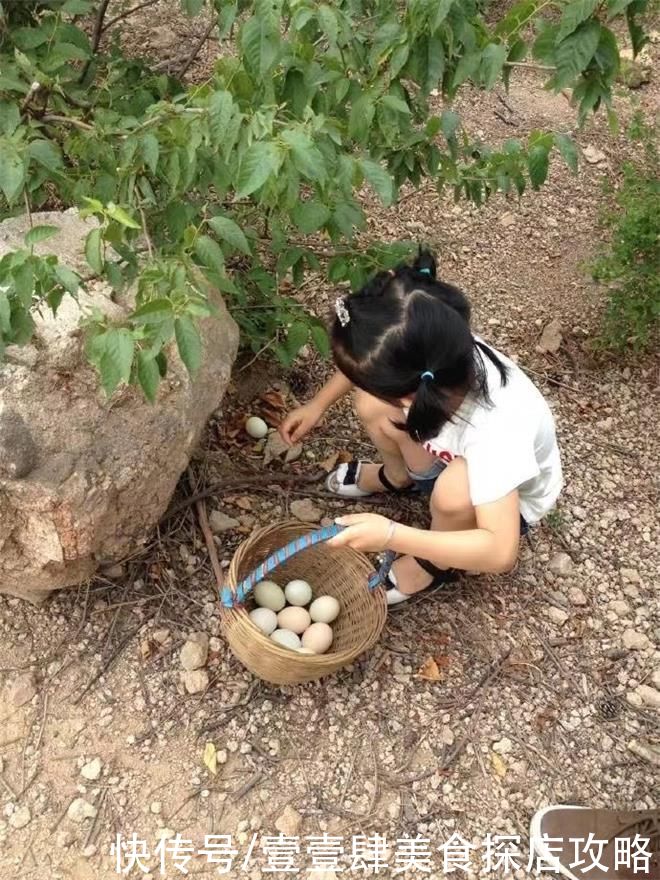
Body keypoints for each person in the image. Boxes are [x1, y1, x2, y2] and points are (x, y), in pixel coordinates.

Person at [278, 249, 563, 605]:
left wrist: (393, 535)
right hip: (450, 450)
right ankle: (399, 478)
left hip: (504, 507)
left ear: (409, 397)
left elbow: (500, 552)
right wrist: (317, 404)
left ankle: (433, 564)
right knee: (371, 405)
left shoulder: (498, 431)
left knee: (452, 492)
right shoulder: (433, 343)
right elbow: (377, 358)